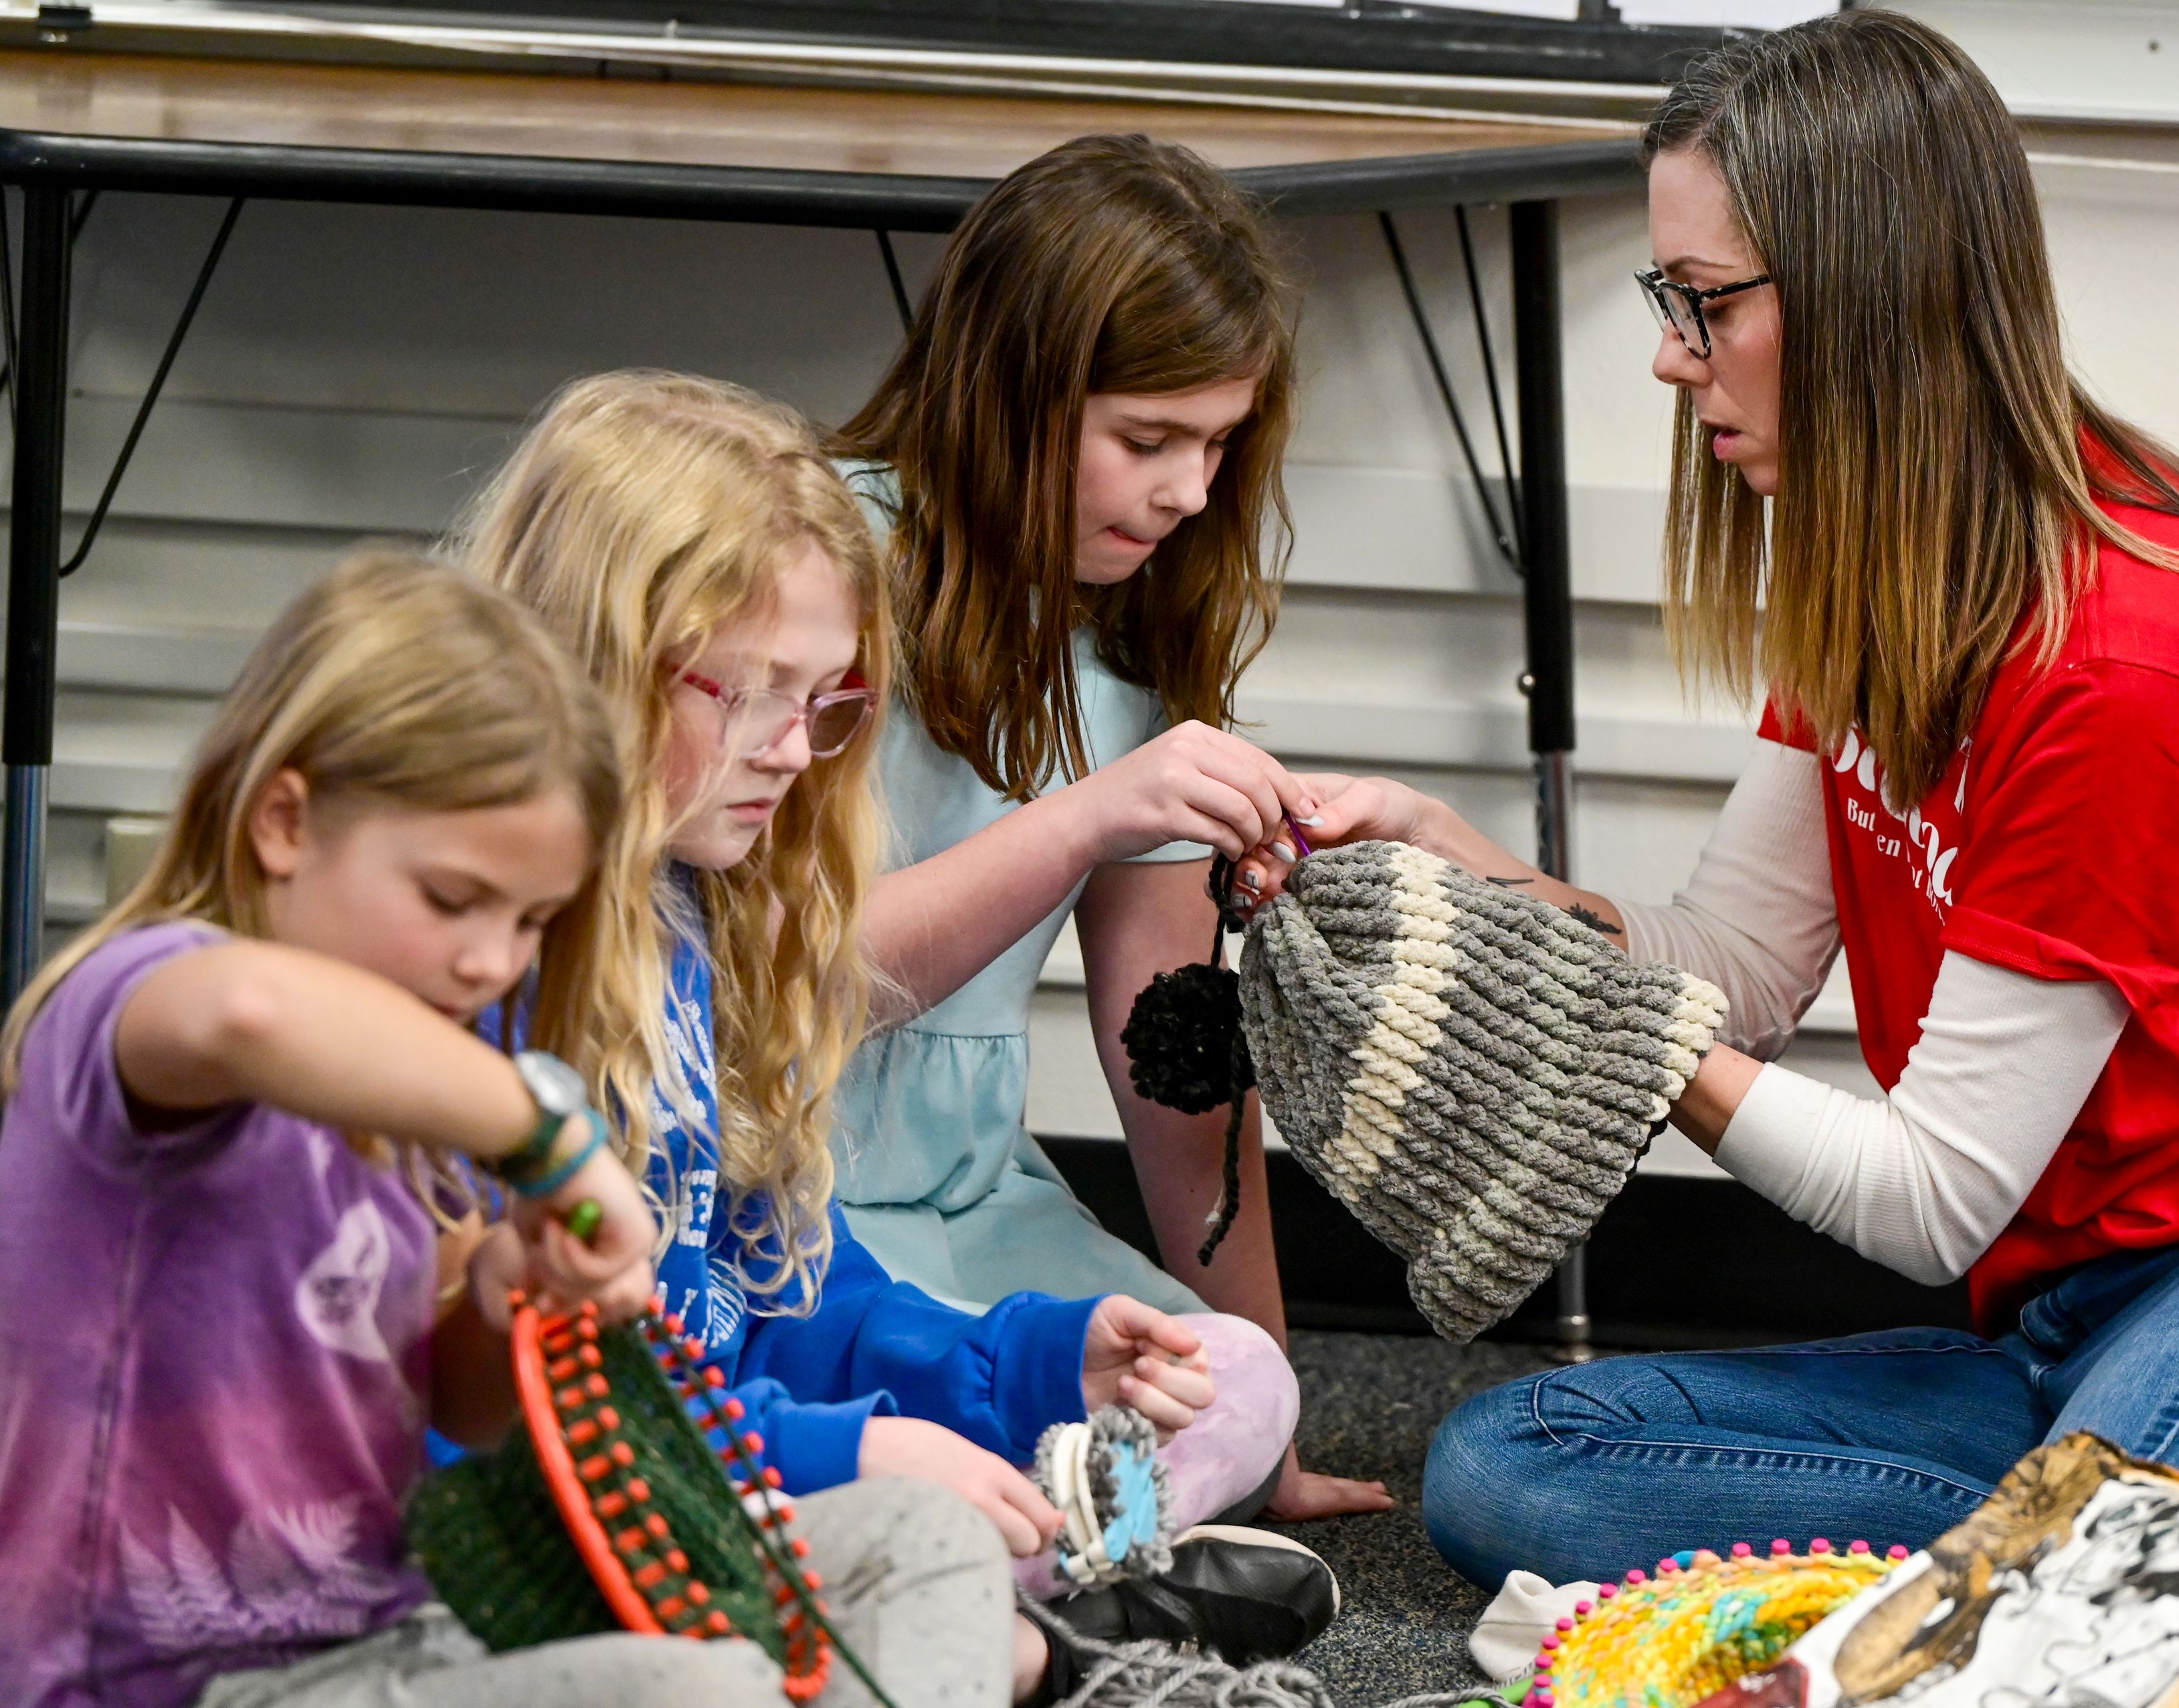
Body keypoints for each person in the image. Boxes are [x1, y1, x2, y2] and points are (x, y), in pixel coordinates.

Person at [1245, 11, 2179, 1586]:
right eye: (1669, 299)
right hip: (2057, 1326)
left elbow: (1925, 1202)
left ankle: (2164, 1564)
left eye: (1703, 303)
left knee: (2072, 1579)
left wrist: (1606, 1034)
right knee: (1507, 1466)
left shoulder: (2132, 647)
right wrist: (1460, 874)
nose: (1666, 352)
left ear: (1869, 301)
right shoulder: (1870, 570)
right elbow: (1744, 972)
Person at [0, 553, 1018, 1708]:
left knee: (923, 1543)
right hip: (164, 1684)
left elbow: (468, 1416)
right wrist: (550, 1143)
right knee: (703, 1690)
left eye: (532, 920)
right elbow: (247, 1010)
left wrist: (506, 1287)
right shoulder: (141, 1007)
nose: (492, 961)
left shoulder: (399, 1127)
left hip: (404, 1634)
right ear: (283, 823)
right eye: (450, 900)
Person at [459, 371, 1334, 1688]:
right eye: (749, 694)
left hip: (732, 1453)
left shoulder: (693, 925)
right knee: (800, 1604)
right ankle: (1027, 1630)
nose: (795, 753)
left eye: (825, 704)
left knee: (1233, 1382)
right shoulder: (487, 976)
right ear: (600, 660)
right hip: (565, 1524)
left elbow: (795, 1298)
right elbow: (545, 1424)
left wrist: (1036, 1353)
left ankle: (997, 1609)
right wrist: (857, 1459)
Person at [826, 132, 1388, 1521]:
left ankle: (1008, 1547)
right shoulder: (815, 576)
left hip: (972, 1217)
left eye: (1218, 444)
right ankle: (1011, 1549)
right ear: (1011, 393)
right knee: (844, 1401)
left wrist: (1278, 1444)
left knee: (1233, 1385)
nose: (1190, 492)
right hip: (775, 1216)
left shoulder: (1129, 649)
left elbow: (1176, 1081)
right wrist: (1083, 820)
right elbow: (786, 991)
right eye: (1148, 440)